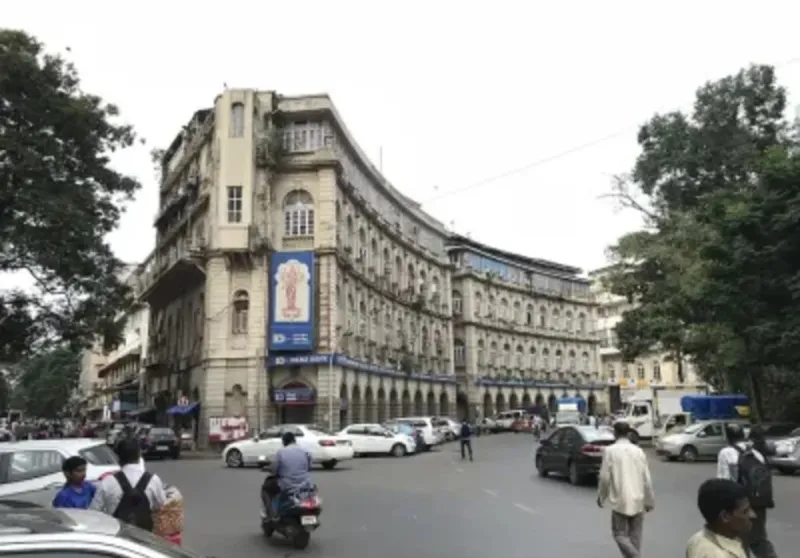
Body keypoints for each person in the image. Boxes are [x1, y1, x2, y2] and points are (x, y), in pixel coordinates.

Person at [717, 423, 776, 558]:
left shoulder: (726, 453)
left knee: (738, 541)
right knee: (759, 539)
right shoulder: (756, 453)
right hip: (759, 502)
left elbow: (723, 480)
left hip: (739, 504)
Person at [597, 422, 655, 558]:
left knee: (619, 534)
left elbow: (605, 478)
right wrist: (649, 500)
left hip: (620, 501)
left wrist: (601, 496)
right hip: (638, 500)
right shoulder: (638, 451)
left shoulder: (610, 451)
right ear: (628, 433)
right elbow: (646, 478)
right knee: (635, 540)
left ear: (615, 433)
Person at [91, 437, 167, 531]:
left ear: (118, 457)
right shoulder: (153, 480)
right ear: (139, 454)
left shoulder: (108, 482)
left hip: (118, 539)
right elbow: (161, 504)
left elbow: (94, 512)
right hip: (145, 538)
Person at [686, 478, 755, 558]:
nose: (753, 515)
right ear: (725, 516)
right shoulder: (718, 555)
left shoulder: (696, 539)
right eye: (745, 511)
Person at [269, 431, 314, 515]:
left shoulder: (281, 452)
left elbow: (275, 469)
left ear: (284, 441)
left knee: (271, 490)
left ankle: (274, 513)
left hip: (288, 485)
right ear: (294, 440)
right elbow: (309, 467)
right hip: (305, 484)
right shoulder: (305, 451)